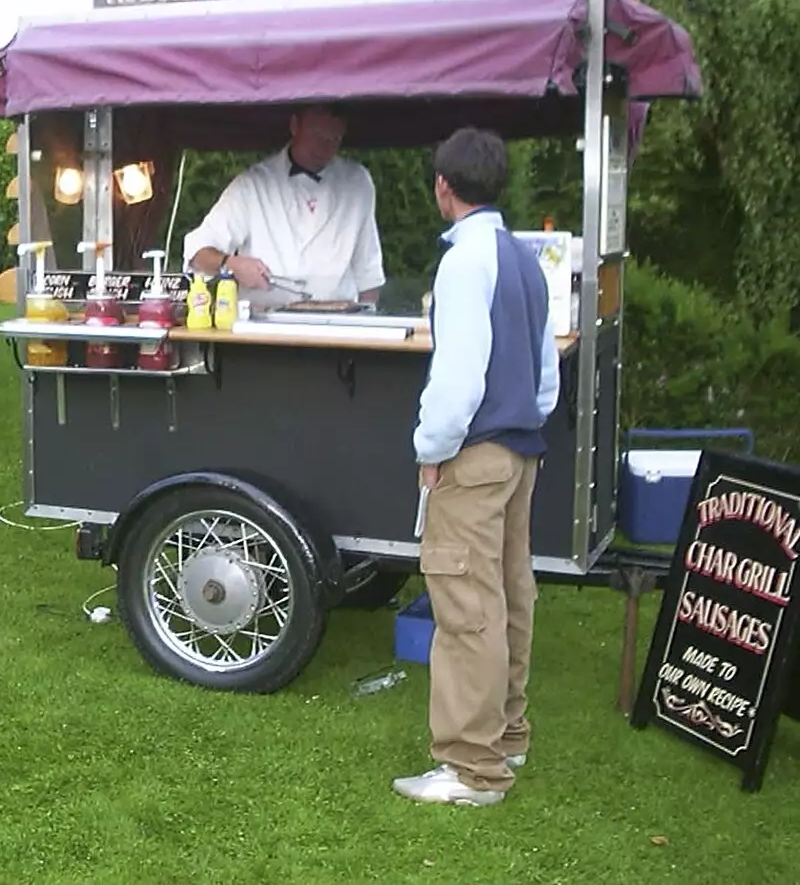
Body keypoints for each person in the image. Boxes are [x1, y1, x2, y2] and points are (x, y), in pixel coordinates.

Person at [393, 127, 560, 807]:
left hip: (475, 451)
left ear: (442, 185)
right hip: (522, 448)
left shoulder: (464, 263)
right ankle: (507, 731)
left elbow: (457, 378)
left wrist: (430, 450)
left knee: (466, 608)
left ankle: (471, 767)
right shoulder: (524, 258)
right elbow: (546, 374)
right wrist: (525, 420)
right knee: (509, 595)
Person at [183, 103, 385, 308]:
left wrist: (369, 322)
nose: (324, 147)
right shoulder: (253, 184)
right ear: (295, 126)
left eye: (334, 139)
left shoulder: (357, 182)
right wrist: (231, 264)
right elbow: (197, 251)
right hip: (264, 325)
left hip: (336, 324)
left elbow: (367, 268)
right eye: (317, 134)